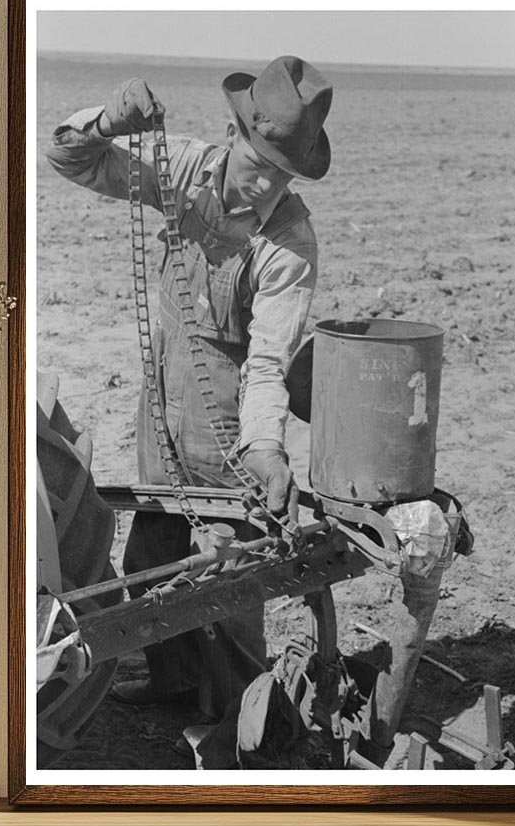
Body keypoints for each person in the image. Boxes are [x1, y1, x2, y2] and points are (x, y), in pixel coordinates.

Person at [46, 55, 333, 727]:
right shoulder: (179, 166)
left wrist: (265, 447)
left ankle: (243, 713)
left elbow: (268, 361)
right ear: (232, 136)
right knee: (154, 550)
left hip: (228, 425)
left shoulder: (289, 245)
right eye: (257, 165)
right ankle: (172, 683)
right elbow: (71, 160)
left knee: (231, 575)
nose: (263, 186)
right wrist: (106, 120)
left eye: (279, 176)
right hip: (161, 406)